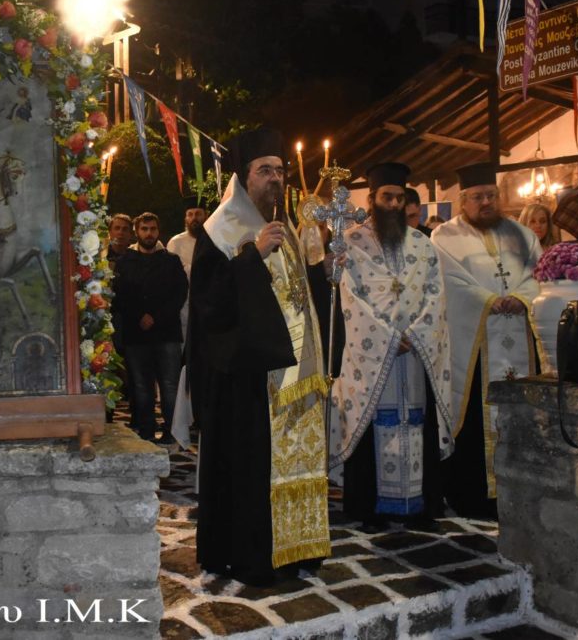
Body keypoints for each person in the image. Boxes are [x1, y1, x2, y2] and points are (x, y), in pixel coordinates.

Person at [187, 127, 331, 586]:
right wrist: (251, 260)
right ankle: (252, 555)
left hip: (293, 376)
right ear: (244, 177)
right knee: (251, 471)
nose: (276, 178)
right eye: (265, 170)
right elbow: (210, 308)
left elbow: (301, 300)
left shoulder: (284, 224)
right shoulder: (221, 230)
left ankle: (297, 549)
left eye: (281, 170)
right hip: (246, 383)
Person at [330, 163, 455, 532]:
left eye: (400, 198)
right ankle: (371, 507)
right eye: (387, 197)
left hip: (415, 354)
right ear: (372, 199)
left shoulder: (422, 244)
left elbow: (436, 296)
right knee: (373, 424)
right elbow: (350, 298)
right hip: (372, 356)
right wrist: (387, 337)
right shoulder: (351, 242)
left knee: (417, 423)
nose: (394, 204)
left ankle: (418, 505)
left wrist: (414, 335)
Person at [431, 162, 541, 518]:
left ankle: (520, 489)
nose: (486, 203)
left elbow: (538, 273)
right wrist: (490, 300)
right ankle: (474, 496)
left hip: (518, 339)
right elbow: (451, 282)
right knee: (476, 419)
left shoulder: (523, 235)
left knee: (520, 412)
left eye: (491, 196)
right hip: (476, 346)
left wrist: (522, 297)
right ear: (463, 200)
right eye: (477, 197)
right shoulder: (444, 237)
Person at [113, 212, 187, 443]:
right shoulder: (125, 262)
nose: (149, 234)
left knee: (169, 386)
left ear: (158, 231)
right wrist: (140, 316)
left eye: (153, 229)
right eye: (144, 229)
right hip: (137, 334)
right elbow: (120, 296)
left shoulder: (171, 261)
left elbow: (179, 294)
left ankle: (172, 431)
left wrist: (156, 317)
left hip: (166, 333)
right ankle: (145, 431)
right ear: (137, 232)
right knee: (141, 385)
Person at [167, 203, 206, 337]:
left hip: (209, 304)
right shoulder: (175, 242)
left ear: (206, 216)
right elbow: (174, 275)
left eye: (198, 214)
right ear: (185, 218)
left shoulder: (215, 239)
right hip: (185, 305)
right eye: (190, 214)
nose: (194, 218)